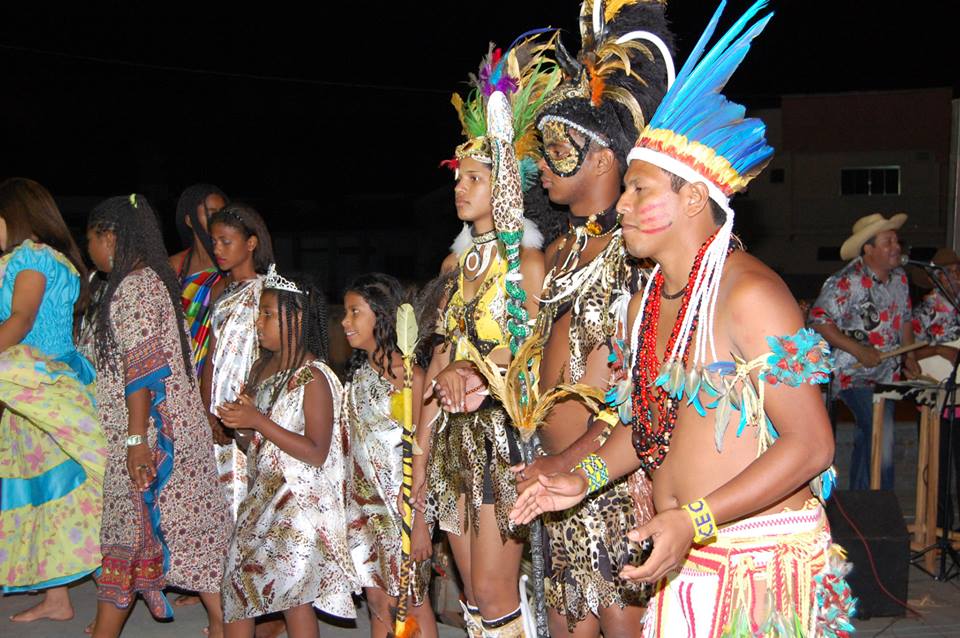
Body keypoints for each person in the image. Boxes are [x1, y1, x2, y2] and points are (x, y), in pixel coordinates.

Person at [511, 3, 856, 635]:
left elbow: (813, 445)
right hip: (686, 556)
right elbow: (648, 428)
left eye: (642, 189)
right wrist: (577, 480)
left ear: (694, 196)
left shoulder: (751, 296)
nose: (625, 203)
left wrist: (693, 519)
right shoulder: (649, 300)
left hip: (758, 561)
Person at [511, 2, 672, 634]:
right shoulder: (561, 250)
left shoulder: (635, 258)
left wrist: (571, 462)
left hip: (608, 483)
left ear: (603, 159)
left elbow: (632, 391)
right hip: (559, 481)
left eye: (555, 151)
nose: (542, 166)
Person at [411, 35, 552, 638]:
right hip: (450, 439)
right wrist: (417, 458)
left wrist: (480, 375)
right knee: (473, 594)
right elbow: (441, 357)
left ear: (506, 184)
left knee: (498, 592)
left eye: (475, 176)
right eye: (458, 176)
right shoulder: (457, 269)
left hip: (501, 436)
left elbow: (537, 359)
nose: (459, 187)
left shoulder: (528, 266)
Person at [85, 194, 230, 638]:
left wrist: (136, 442)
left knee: (131, 536)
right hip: (159, 432)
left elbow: (143, 370)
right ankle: (226, 624)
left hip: (153, 435)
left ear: (109, 237)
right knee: (194, 530)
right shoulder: (144, 282)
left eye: (90, 238)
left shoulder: (136, 286)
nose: (87, 247)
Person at [220, 268, 359, 637]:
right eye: (259, 313)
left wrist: (258, 422)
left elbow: (316, 451)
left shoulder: (314, 376)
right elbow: (254, 445)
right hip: (260, 496)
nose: (259, 322)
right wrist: (243, 427)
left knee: (293, 598)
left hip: (296, 504)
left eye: (267, 313)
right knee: (237, 585)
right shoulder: (262, 368)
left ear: (295, 317)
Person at [0, 178, 106, 623]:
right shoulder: (53, 259)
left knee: (80, 485)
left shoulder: (31, 257)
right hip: (37, 385)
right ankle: (58, 597)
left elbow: (21, 321)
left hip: (39, 382)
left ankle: (122, 581)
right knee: (49, 488)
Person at [342, 273, 438, 638]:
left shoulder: (409, 377)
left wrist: (419, 524)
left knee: (413, 600)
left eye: (355, 312)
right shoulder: (359, 375)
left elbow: (422, 451)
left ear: (381, 317)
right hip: (363, 511)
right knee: (379, 602)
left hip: (401, 509)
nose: (345, 321)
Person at [809, 212, 919, 490]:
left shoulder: (900, 279)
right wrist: (858, 350)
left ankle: (867, 503)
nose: (896, 247)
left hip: (887, 375)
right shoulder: (847, 281)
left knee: (875, 436)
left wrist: (910, 356)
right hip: (852, 375)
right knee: (880, 432)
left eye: (896, 240)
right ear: (868, 248)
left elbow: (905, 318)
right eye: (888, 241)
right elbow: (819, 319)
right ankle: (875, 504)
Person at [201, 203, 275, 519]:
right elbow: (212, 356)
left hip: (249, 404)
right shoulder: (220, 290)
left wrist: (242, 409)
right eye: (214, 241)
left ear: (251, 243)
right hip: (218, 402)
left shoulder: (266, 291)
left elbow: (268, 355)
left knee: (247, 493)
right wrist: (208, 410)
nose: (217, 249)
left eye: (226, 241)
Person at [911, 247, 960, 529]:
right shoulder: (925, 310)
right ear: (935, 278)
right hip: (936, 396)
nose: (955, 277)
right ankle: (940, 528)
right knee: (938, 468)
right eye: (949, 272)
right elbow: (909, 353)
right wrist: (941, 349)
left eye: (957, 271)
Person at [168, 183, 229, 378]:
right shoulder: (174, 267)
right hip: (179, 370)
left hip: (219, 369)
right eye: (211, 213)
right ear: (189, 220)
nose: (218, 219)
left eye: (222, 212)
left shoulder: (232, 266)